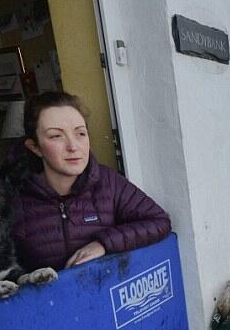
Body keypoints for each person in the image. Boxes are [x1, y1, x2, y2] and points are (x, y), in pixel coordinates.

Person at [11, 91, 171, 271]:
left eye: (80, 133)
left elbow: (159, 221)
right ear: (35, 147)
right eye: (56, 136)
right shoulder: (13, 198)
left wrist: (103, 244)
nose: (73, 146)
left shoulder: (108, 182)